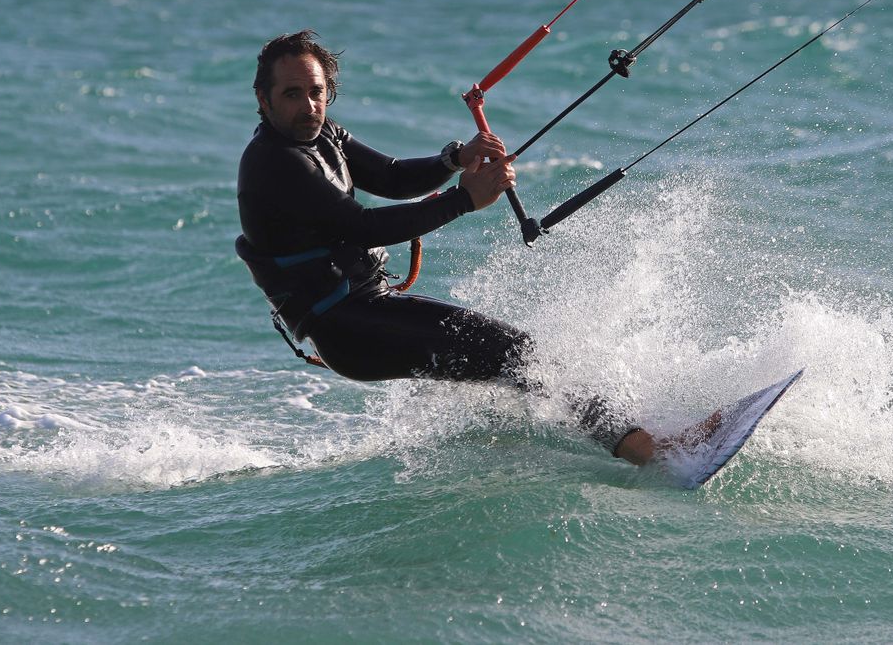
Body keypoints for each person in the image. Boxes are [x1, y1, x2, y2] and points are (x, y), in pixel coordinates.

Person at [235, 30, 677, 465]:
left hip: (368, 309)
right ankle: (644, 449)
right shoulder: (275, 162)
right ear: (264, 99)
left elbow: (390, 177)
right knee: (518, 353)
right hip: (348, 326)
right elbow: (362, 226)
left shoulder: (321, 134)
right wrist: (465, 199)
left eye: (317, 92)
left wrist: (454, 160)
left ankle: (622, 438)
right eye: (293, 94)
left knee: (515, 360)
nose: (309, 106)